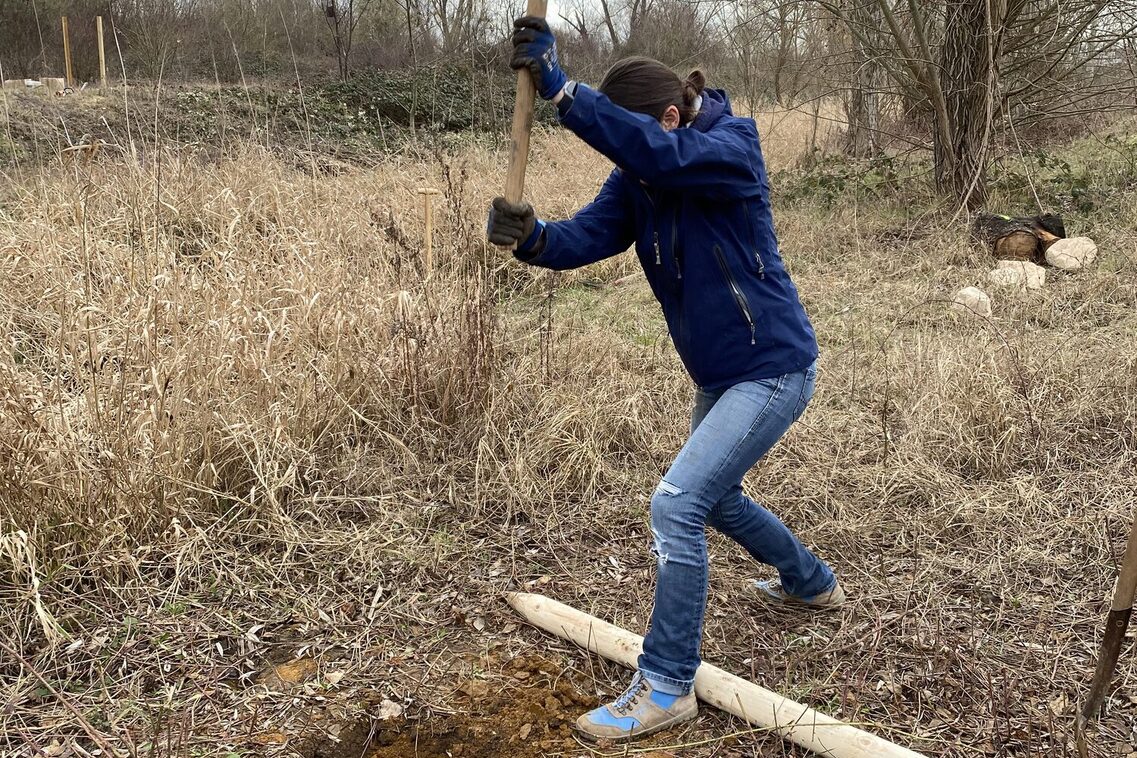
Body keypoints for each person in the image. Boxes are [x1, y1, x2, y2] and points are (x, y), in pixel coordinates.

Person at [487, 16, 844, 744]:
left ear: (670, 117)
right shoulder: (642, 174)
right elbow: (587, 234)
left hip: (771, 367)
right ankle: (810, 583)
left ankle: (665, 683)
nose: (631, 152)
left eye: (635, 134)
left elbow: (655, 154)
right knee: (713, 499)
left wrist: (562, 92)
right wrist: (532, 239)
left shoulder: (729, 149)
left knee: (676, 505)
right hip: (719, 371)